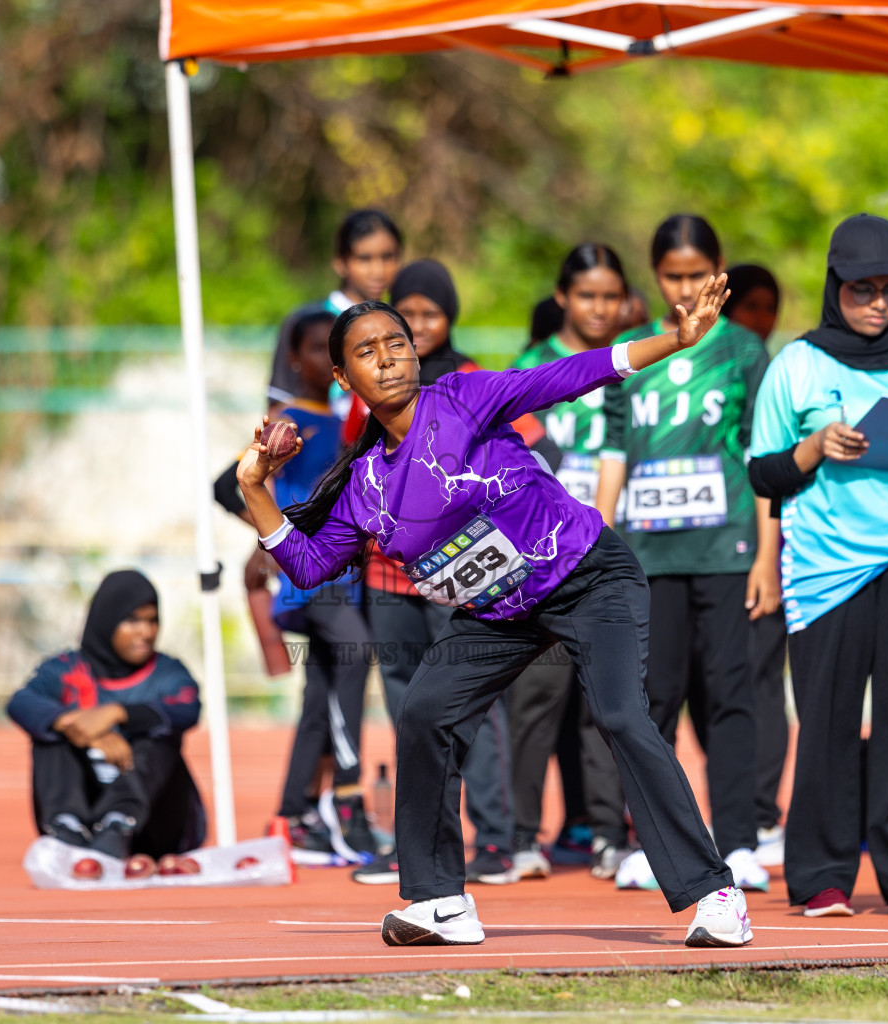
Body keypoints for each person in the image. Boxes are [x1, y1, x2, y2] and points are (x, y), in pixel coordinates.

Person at [237, 287, 754, 948]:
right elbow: (309, 565)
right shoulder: (366, 482)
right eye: (368, 353)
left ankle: (716, 893)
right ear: (344, 379)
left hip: (588, 577)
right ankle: (441, 900)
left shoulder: (460, 398)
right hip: (501, 612)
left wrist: (676, 341)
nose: (390, 359)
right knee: (425, 711)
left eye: (397, 344)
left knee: (621, 713)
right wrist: (256, 488)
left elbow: (565, 376)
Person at [749, 213, 888, 918]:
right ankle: (820, 874)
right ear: (834, 286)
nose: (879, 302)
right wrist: (815, 446)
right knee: (827, 721)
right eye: (862, 289)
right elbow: (764, 473)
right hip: (826, 569)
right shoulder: (797, 364)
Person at [596, 215, 777, 892]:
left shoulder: (743, 351)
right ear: (655, 276)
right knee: (650, 698)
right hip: (646, 556)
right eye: (672, 275)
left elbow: (761, 458)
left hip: (728, 551)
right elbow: (614, 453)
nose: (685, 286)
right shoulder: (632, 352)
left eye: (697, 273)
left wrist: (766, 556)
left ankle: (739, 840)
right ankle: (657, 844)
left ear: (719, 271)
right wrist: (601, 540)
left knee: (732, 696)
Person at [351, 260, 531, 886]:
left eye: (431, 314)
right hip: (387, 581)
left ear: (450, 318)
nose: (419, 328)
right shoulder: (368, 390)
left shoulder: (474, 382)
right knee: (409, 712)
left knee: (474, 704)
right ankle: (418, 844)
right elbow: (354, 474)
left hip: (460, 576)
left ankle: (499, 841)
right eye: (408, 316)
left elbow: (533, 448)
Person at [219, 311, 377, 859]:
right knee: (355, 656)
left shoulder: (344, 418)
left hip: (342, 574)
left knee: (321, 693)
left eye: (329, 351)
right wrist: (271, 539)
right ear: (294, 360)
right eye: (312, 349)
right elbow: (228, 484)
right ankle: (348, 800)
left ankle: (293, 815)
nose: (320, 359)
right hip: (308, 578)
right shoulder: (286, 420)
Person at [509, 244, 634, 882]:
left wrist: (597, 535)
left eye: (611, 297)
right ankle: (520, 837)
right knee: (535, 700)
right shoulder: (527, 368)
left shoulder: (620, 367)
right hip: (536, 562)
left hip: (597, 556)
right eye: (587, 295)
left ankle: (610, 834)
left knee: (602, 701)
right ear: (562, 297)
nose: (598, 308)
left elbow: (615, 452)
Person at [7, 570, 206, 879]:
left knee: (158, 734)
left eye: (152, 620)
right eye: (133, 621)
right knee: (49, 733)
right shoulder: (64, 669)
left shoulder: (167, 671)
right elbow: (20, 702)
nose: (146, 632)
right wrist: (74, 725)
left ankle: (117, 824)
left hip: (155, 826)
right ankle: (68, 828)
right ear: (106, 621)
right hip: (85, 814)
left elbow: (188, 708)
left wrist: (117, 714)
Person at [718, 262, 790, 868]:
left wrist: (768, 552)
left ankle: (762, 815)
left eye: (770, 307)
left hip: (764, 546)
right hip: (708, 551)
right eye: (750, 307)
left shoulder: (778, 375)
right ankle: (730, 809)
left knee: (762, 679)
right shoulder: (708, 373)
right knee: (713, 684)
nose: (760, 320)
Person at [268, 209, 402, 410]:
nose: (378, 271)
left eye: (387, 257)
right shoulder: (306, 323)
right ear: (340, 262)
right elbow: (279, 405)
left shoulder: (403, 324)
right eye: (365, 258)